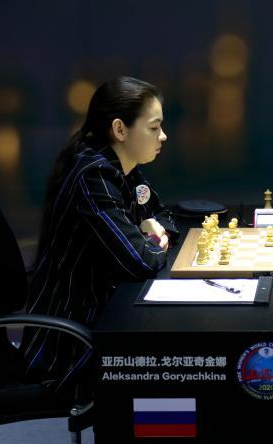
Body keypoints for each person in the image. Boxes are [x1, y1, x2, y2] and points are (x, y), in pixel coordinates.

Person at [21, 76, 178, 397]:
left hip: (105, 312)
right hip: (70, 342)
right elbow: (141, 261)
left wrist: (153, 230)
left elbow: (165, 218)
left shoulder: (124, 167)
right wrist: (152, 238)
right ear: (120, 130)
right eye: (153, 127)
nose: (163, 135)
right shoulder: (94, 176)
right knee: (178, 361)